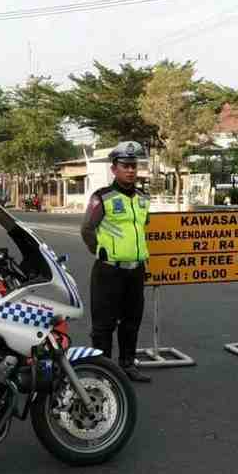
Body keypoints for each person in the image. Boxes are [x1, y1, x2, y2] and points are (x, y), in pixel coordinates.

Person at [80, 141, 152, 383]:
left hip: (135, 271)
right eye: (125, 165)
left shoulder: (143, 198)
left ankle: (127, 365)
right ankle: (104, 371)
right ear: (114, 169)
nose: (130, 170)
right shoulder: (102, 197)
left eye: (134, 165)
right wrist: (101, 252)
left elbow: (142, 229)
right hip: (108, 271)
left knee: (132, 321)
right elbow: (87, 229)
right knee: (103, 325)